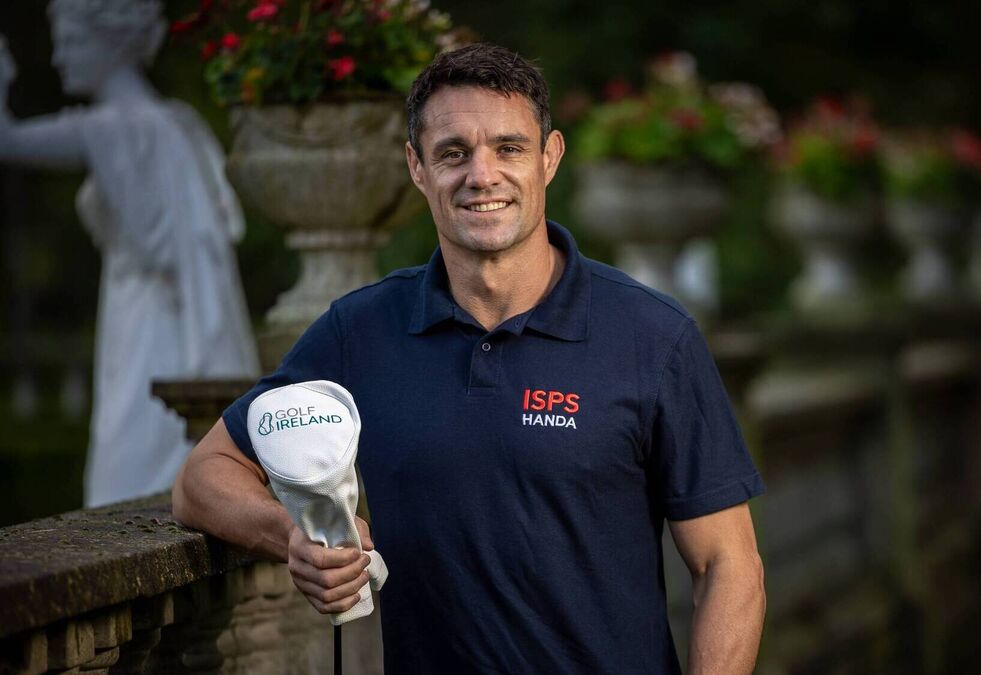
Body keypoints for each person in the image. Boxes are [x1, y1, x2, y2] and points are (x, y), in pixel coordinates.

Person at [173, 43, 765, 674]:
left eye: (509, 148)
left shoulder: (653, 335)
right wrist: (294, 537)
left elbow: (728, 566)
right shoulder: (361, 331)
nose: (482, 175)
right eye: (453, 153)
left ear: (549, 157)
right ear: (416, 167)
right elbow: (202, 479)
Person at [0, 0, 259, 507]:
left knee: (131, 465)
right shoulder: (171, 122)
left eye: (71, 40)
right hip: (145, 317)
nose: (58, 57)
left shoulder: (120, 128)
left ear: (111, 42)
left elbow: (6, 141)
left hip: (150, 328)